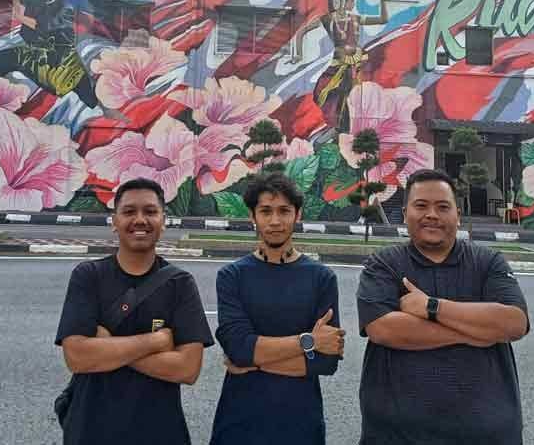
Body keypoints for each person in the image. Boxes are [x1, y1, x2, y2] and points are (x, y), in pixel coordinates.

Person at [356, 168, 530, 444]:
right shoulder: (384, 264)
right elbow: (384, 329)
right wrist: (477, 332)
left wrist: (432, 307)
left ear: (457, 215)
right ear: (405, 213)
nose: (432, 215)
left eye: (443, 207)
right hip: (396, 434)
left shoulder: (488, 263)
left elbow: (514, 323)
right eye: (421, 206)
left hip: (485, 433)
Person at [55, 177, 214, 445]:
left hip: (159, 431)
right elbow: (77, 357)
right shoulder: (89, 276)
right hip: (91, 430)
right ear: (114, 222)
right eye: (129, 211)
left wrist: (107, 347)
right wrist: (155, 342)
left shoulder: (180, 283)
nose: (140, 220)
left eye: (150, 211)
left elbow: (187, 369)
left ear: (163, 220)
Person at [210, 172, 345, 445]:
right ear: (252, 216)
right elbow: (238, 348)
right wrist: (309, 341)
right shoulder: (231, 277)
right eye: (266, 211)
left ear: (298, 215)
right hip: (239, 423)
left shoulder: (322, 278)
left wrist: (254, 358)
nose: (275, 221)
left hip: (300, 424)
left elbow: (327, 361)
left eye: (284, 211)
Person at [292, 0, 393, 133]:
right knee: (325, 92)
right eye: (351, 0)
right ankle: (336, 126)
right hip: (339, 64)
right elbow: (302, 32)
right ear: (342, 0)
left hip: (357, 64)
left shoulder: (355, 19)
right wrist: (298, 54)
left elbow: (382, 19)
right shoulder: (328, 19)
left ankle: (350, 128)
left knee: (355, 97)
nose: (353, 4)